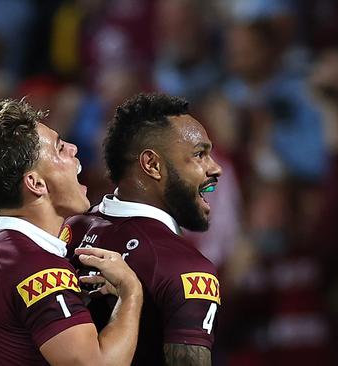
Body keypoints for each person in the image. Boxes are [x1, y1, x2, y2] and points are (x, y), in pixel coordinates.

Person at [0, 99, 143, 365]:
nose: (74, 149)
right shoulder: (37, 268)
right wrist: (131, 292)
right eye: (60, 148)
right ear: (36, 183)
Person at [61, 93, 223, 365]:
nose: (215, 168)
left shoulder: (69, 230)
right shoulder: (187, 268)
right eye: (199, 155)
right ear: (152, 164)